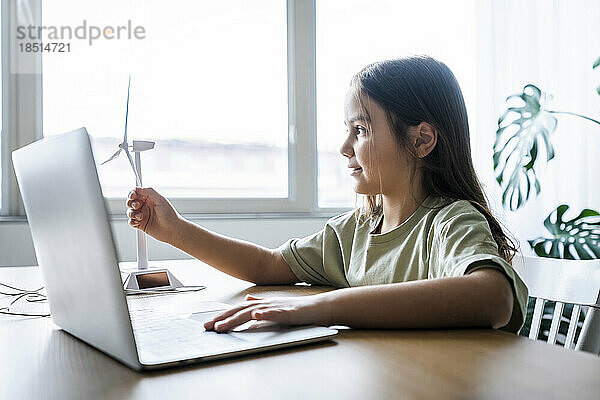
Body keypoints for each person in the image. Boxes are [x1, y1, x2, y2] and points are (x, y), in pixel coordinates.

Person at [126, 55, 528, 334]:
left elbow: (492, 297)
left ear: (421, 140)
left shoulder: (450, 221)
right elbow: (268, 266)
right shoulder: (357, 230)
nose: (344, 147)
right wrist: (175, 231)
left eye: (362, 130)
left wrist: (318, 308)